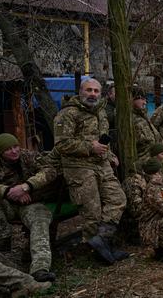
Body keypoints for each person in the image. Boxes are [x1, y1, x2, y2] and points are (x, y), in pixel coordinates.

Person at [53, 78, 127, 265]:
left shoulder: (100, 112)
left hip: (101, 164)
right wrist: (89, 147)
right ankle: (94, 255)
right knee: (92, 212)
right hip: (78, 167)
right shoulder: (68, 114)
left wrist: (109, 155)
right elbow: (61, 144)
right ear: (80, 91)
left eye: (96, 91)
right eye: (89, 90)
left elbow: (101, 140)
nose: (93, 94)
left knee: (118, 199)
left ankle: (102, 241)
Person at [0, 133, 57, 282]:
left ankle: (40, 268)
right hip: (7, 205)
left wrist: (26, 187)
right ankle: (3, 237)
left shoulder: (28, 155)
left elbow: (50, 171)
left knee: (40, 220)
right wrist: (8, 191)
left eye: (16, 146)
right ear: (0, 152)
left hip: (31, 203)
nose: (14, 151)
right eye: (8, 149)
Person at [131, 87, 161, 161]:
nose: (145, 102)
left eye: (145, 99)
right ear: (133, 99)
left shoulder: (143, 115)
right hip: (142, 162)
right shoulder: (128, 117)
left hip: (153, 159)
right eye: (142, 99)